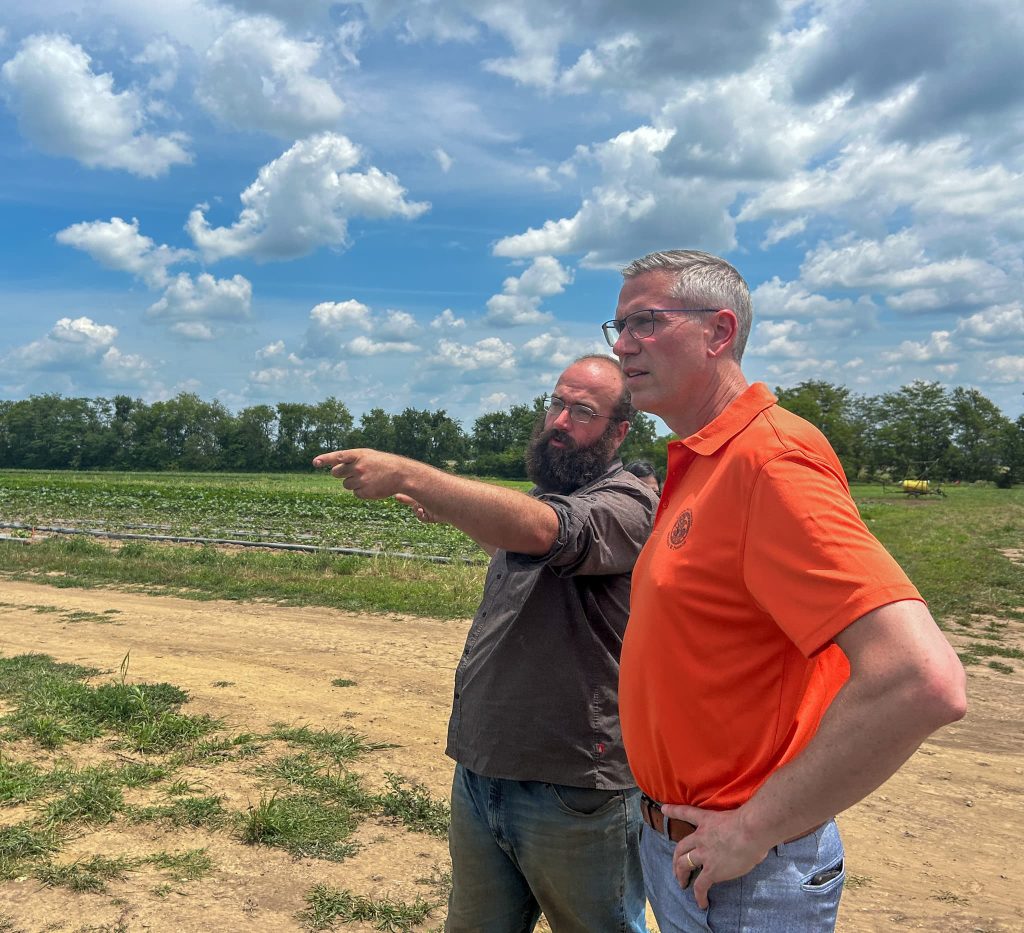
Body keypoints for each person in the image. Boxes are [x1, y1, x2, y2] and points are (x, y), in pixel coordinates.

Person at [603, 250, 967, 932]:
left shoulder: (769, 460)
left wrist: (754, 827)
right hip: (684, 849)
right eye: (617, 327)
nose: (623, 344)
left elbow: (921, 678)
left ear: (719, 332)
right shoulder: (703, 460)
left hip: (748, 873)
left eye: (646, 322)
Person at [313, 354, 657, 933]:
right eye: (555, 403)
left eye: (583, 412)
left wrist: (411, 474)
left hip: (574, 788)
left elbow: (547, 531)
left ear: (618, 432)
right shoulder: (544, 499)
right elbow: (524, 523)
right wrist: (451, 509)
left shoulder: (628, 504)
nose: (559, 422)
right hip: (482, 769)